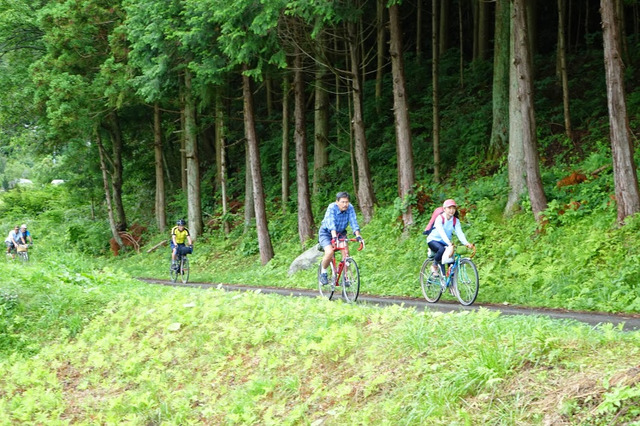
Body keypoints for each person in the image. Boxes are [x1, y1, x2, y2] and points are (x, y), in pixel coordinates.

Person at [318, 191, 364, 285]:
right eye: (342, 202)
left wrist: (358, 235)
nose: (345, 204)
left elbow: (353, 222)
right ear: (337, 202)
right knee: (330, 252)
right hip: (326, 232)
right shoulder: (332, 207)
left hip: (341, 232)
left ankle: (345, 277)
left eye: (346, 202)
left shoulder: (350, 208)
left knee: (346, 253)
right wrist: (334, 237)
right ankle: (323, 272)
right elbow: (331, 223)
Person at [426, 199, 474, 276]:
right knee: (441, 249)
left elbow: (459, 233)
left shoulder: (455, 220)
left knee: (451, 262)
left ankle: (451, 285)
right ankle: (434, 266)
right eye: (449, 208)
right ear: (444, 209)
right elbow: (441, 232)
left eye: (453, 208)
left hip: (445, 242)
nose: (451, 210)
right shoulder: (440, 218)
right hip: (433, 240)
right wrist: (449, 243)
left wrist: (466, 243)